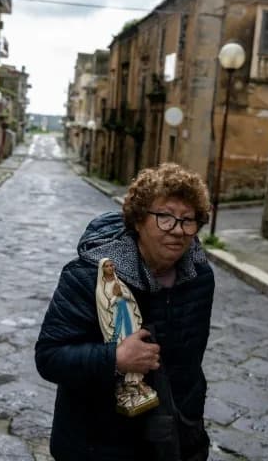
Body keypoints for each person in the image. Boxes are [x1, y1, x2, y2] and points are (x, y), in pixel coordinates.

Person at [35, 162, 215, 461]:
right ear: (139, 220)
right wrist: (115, 359)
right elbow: (50, 357)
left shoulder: (199, 276)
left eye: (188, 220)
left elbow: (190, 361)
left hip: (175, 436)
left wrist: (191, 416)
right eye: (165, 217)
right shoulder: (87, 275)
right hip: (99, 443)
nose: (178, 230)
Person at [96, 258, 159, 416]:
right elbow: (104, 305)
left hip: (128, 317)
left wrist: (122, 293)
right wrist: (115, 297)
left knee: (134, 343)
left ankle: (137, 383)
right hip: (117, 319)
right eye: (107, 266)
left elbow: (128, 297)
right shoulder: (101, 287)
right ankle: (128, 386)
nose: (110, 268)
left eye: (111, 265)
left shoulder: (118, 281)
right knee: (124, 347)